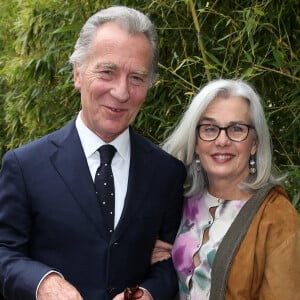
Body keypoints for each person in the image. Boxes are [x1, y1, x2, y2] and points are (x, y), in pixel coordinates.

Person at [0, 6, 186, 300]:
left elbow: (168, 263)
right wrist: (44, 282)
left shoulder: (167, 173)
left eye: (137, 78)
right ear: (77, 73)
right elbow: (5, 251)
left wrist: (148, 293)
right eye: (107, 72)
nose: (121, 92)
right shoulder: (25, 166)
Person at [152, 79, 300, 299]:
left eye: (237, 129)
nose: (222, 141)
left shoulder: (277, 216)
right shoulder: (180, 204)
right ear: (195, 141)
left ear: (254, 143)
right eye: (210, 128)